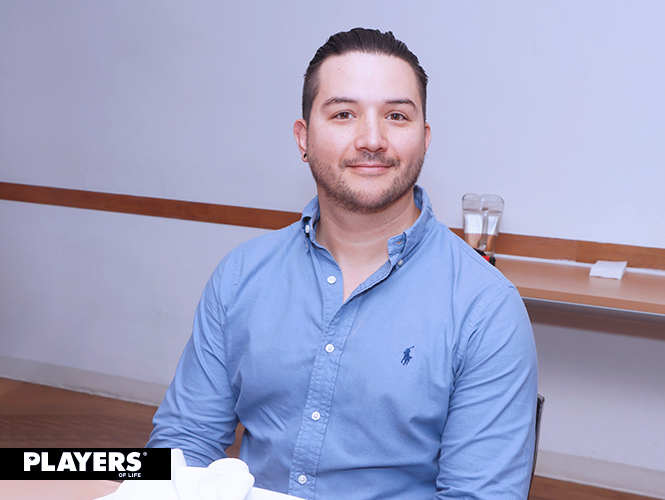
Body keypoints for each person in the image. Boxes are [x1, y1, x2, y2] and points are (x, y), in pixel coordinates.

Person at [147, 28, 538, 500]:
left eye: (396, 116)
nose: (372, 139)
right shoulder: (241, 275)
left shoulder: (486, 308)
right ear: (304, 137)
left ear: (424, 139)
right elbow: (183, 443)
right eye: (343, 114)